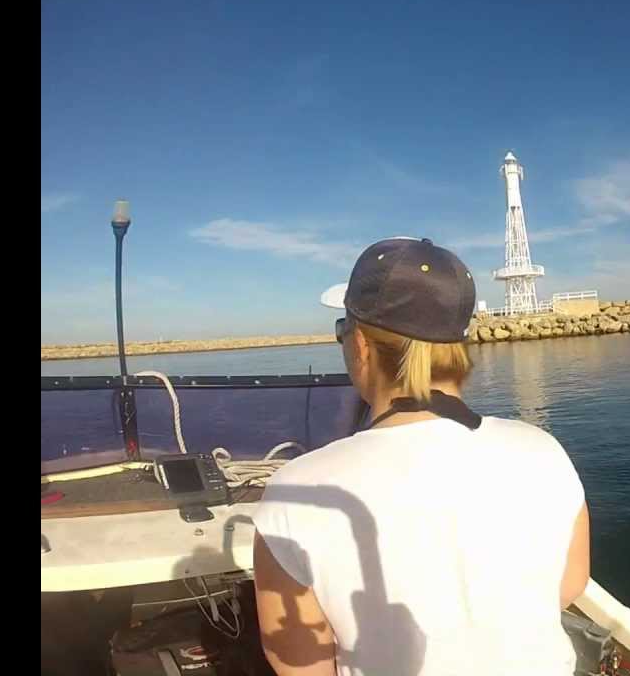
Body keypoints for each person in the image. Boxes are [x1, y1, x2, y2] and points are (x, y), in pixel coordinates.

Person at [252, 237, 591, 676]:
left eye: (342, 331)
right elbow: (569, 584)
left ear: (361, 346)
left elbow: (301, 665)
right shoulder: (543, 450)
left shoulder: (297, 492)